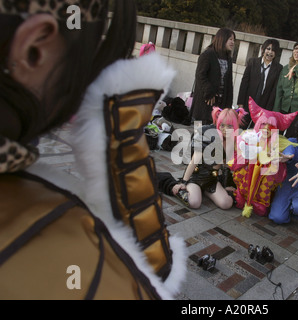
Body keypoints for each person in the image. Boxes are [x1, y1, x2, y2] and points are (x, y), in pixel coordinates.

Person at [0, 0, 185, 299]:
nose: (86, 78)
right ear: (35, 49)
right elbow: (138, 284)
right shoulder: (63, 244)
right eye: (86, 58)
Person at [230, 97, 298, 218]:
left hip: (264, 176)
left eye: (271, 126)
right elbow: (239, 147)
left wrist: (286, 157)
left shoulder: (279, 141)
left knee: (268, 178)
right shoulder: (248, 135)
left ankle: (259, 202)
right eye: (263, 124)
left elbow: (289, 148)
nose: (266, 128)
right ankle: (241, 195)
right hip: (248, 171)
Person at [179, 107, 247, 209]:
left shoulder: (234, 141)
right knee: (194, 203)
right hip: (196, 177)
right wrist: (184, 182)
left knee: (227, 203)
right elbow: (194, 160)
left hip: (212, 180)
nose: (225, 129)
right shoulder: (207, 134)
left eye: (229, 126)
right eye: (222, 125)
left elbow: (227, 166)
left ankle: (204, 191)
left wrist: (226, 185)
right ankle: (176, 188)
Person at [189, 28, 235, 125]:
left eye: (233, 40)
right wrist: (209, 92)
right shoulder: (207, 54)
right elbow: (200, 75)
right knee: (198, 134)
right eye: (230, 39)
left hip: (220, 103)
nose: (233, 42)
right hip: (205, 101)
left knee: (213, 134)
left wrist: (228, 105)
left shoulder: (228, 59)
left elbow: (229, 82)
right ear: (222, 39)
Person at [237, 39, 283, 127]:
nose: (270, 52)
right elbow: (244, 83)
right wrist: (240, 103)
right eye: (268, 49)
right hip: (248, 102)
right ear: (263, 49)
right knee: (241, 128)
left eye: (273, 50)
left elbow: (274, 90)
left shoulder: (278, 68)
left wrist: (269, 110)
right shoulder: (253, 62)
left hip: (263, 105)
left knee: (256, 130)